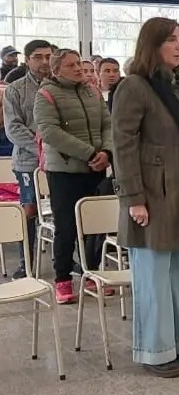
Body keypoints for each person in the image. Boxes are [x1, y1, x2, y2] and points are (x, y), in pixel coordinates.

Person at [113, 17, 179, 377]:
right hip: (153, 195)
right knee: (154, 279)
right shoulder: (134, 87)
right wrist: (134, 198)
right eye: (171, 39)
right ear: (152, 45)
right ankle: (156, 351)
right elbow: (123, 145)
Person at [35, 49, 114, 304]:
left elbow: (107, 124)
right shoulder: (46, 94)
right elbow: (50, 132)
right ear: (56, 70)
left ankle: (91, 273)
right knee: (67, 226)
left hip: (96, 168)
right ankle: (63, 279)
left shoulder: (92, 92)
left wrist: (106, 152)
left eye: (79, 63)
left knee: (94, 226)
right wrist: (89, 152)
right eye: (71, 65)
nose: (79, 68)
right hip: (64, 172)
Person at [3, 39, 52, 279]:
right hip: (28, 160)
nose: (44, 62)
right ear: (27, 59)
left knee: (61, 210)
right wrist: (42, 149)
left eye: (48, 56)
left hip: (60, 160)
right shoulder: (16, 89)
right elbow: (13, 128)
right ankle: (26, 263)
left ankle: (66, 261)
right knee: (30, 209)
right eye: (38, 57)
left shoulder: (60, 86)